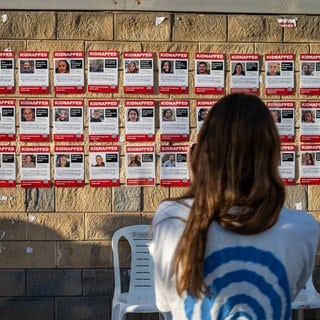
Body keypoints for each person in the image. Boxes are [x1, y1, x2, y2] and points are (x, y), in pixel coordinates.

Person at [151, 93, 319, 320]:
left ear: (202, 156)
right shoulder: (303, 229)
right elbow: (287, 290)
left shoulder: (171, 219)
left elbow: (165, 302)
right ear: (271, 154)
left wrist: (200, 187)